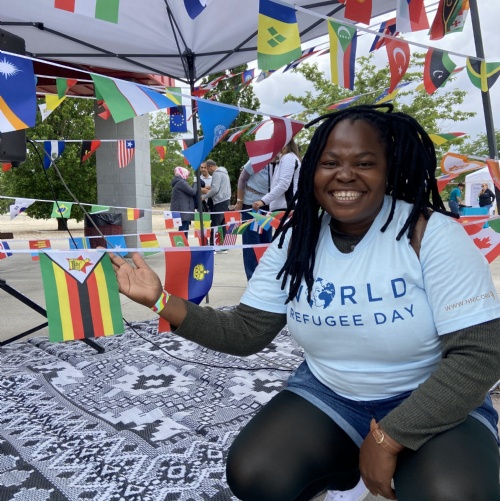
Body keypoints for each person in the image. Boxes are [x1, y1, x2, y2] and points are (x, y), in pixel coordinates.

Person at [109, 104, 500, 501]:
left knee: (454, 493)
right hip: (333, 395)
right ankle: (344, 463)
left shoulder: (431, 234)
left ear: (389, 170)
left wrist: (389, 439)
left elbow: (480, 354)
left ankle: (398, 459)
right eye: (330, 161)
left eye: (364, 162)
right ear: (313, 170)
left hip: (428, 394)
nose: (345, 174)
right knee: (257, 474)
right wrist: (160, 300)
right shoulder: (297, 241)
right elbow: (246, 332)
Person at [234, 159, 273, 280]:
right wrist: (239, 201)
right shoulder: (257, 159)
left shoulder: (279, 162)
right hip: (251, 206)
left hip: (267, 206)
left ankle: (264, 277)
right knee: (252, 243)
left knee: (266, 241)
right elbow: (242, 179)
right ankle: (252, 278)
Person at [253, 139, 301, 213]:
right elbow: (274, 183)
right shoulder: (283, 159)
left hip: (286, 207)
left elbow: (283, 185)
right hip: (280, 207)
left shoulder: (288, 158)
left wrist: (263, 201)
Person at [202, 159, 231, 248]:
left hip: (219, 201)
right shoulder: (224, 173)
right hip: (226, 200)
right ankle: (223, 245)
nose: (207, 171)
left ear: (211, 166)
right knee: (222, 224)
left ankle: (213, 245)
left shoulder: (216, 173)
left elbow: (215, 189)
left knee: (215, 224)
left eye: (207, 168)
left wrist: (204, 197)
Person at [170, 166, 197, 238]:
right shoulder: (181, 182)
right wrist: (196, 183)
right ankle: (182, 247)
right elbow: (192, 191)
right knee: (183, 230)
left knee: (184, 229)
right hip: (183, 211)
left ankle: (184, 246)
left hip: (182, 210)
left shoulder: (178, 182)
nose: (187, 176)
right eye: (186, 174)